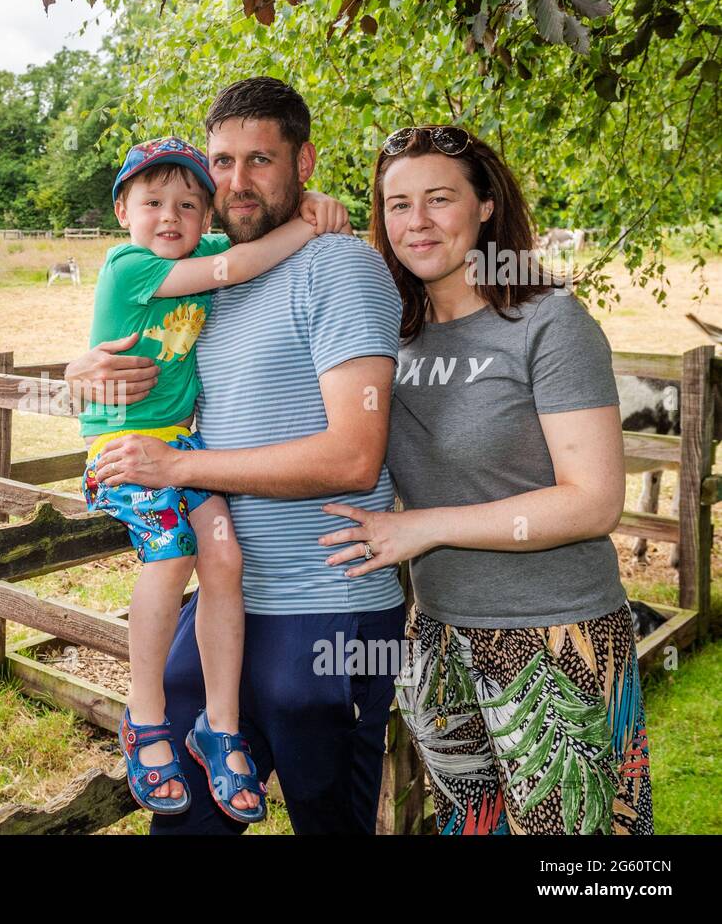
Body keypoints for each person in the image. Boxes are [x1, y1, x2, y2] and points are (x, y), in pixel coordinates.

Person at [67, 77, 406, 834]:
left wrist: (180, 469)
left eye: (261, 159)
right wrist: (78, 373)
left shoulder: (337, 267)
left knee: (331, 820)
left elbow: (354, 457)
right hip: (227, 600)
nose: (236, 182)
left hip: (325, 611)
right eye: (221, 161)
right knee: (187, 822)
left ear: (305, 162)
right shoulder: (212, 274)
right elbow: (157, 364)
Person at [318, 125, 652, 834]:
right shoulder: (389, 336)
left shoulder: (549, 325)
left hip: (556, 639)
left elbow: (594, 501)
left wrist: (423, 527)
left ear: (486, 208)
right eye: (397, 204)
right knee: (470, 828)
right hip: (437, 640)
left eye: (440, 199)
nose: (417, 222)